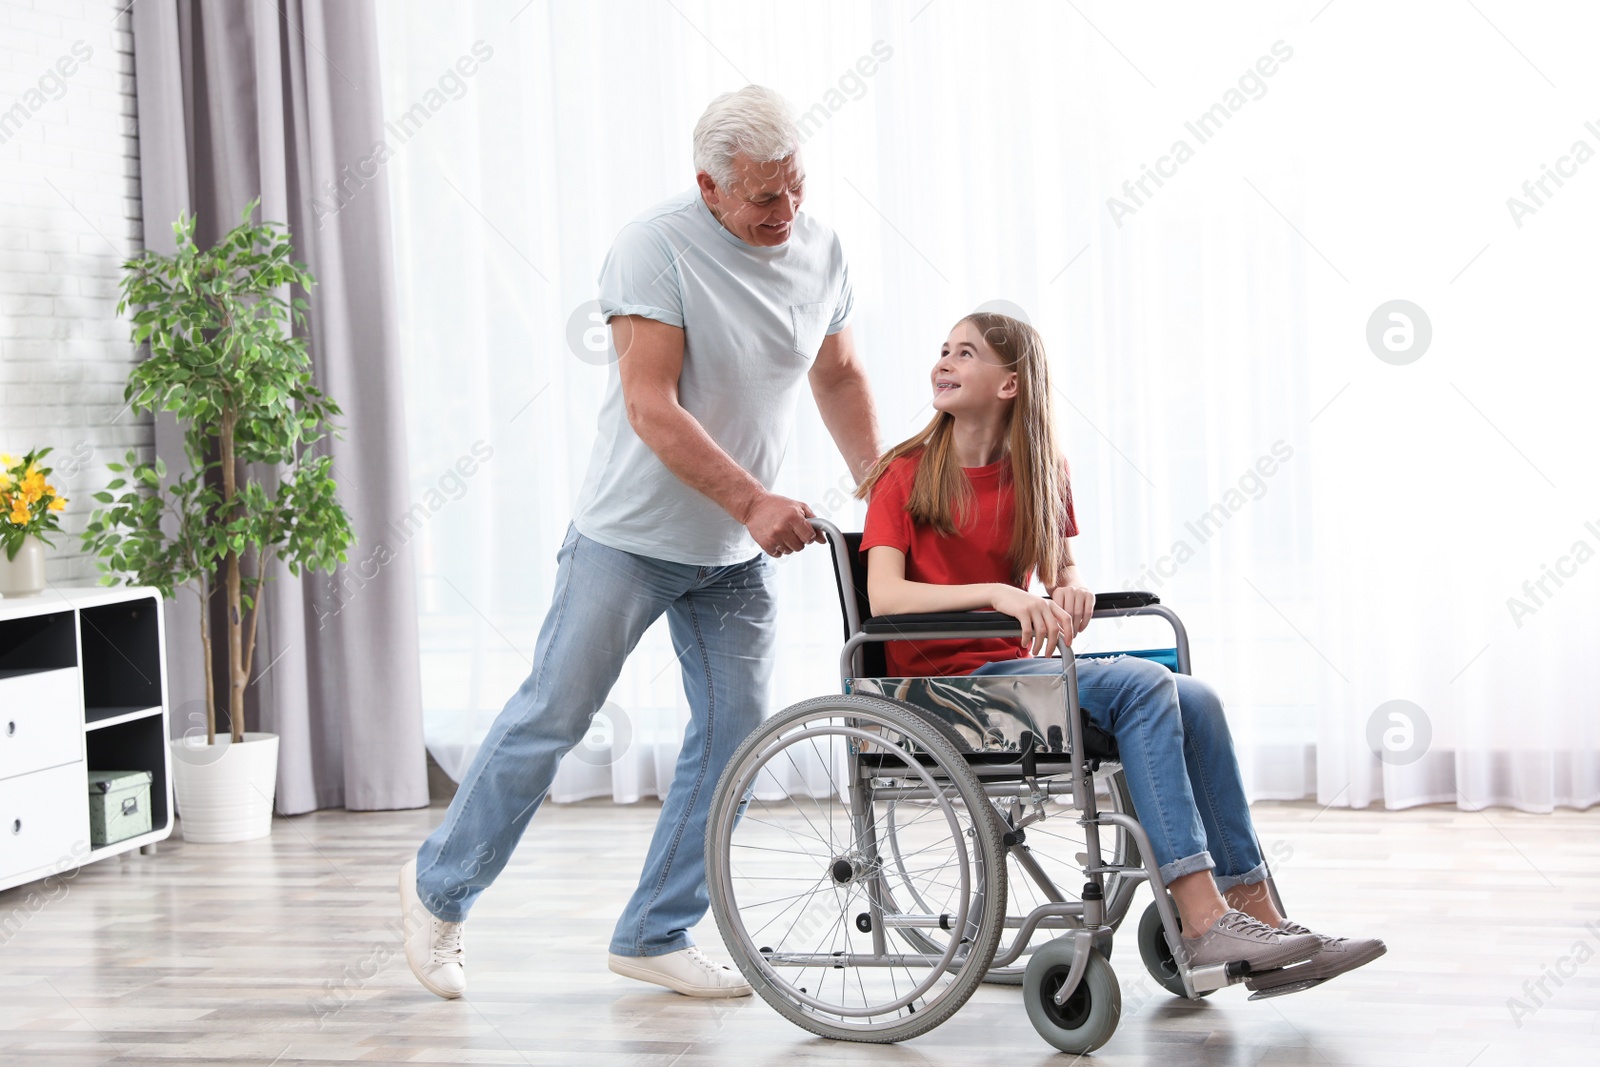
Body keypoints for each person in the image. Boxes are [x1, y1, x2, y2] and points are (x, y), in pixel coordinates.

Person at [399, 85, 880, 1000]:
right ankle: (437, 893)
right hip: (630, 537)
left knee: (733, 737)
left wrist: (881, 483)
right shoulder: (653, 246)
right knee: (553, 716)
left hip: (735, 558)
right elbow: (650, 407)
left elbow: (841, 370)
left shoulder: (819, 246)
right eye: (763, 198)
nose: (787, 212)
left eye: (796, 188)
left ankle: (655, 931)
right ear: (709, 185)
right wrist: (752, 501)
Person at [855, 310, 1384, 986]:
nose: (944, 363)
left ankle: (1262, 918)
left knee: (1195, 696)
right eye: (943, 351)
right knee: (1143, 684)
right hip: (938, 688)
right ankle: (1201, 920)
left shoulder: (1043, 472)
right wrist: (998, 593)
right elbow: (886, 599)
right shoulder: (907, 471)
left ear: (1011, 383)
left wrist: (1072, 590)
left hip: (1016, 673)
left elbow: (1062, 571)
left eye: (965, 353)